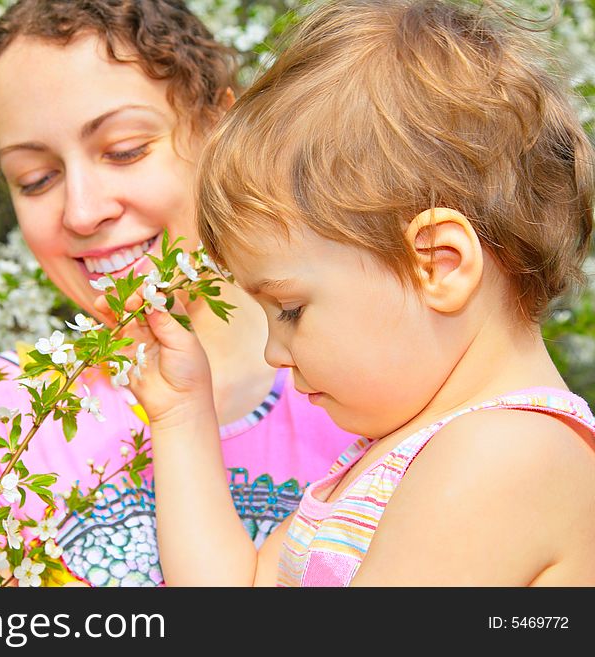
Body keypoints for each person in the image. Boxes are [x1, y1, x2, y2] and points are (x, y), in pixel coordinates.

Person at [105, 0, 595, 586]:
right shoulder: (389, 458)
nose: (274, 353)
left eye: (289, 310)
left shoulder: (507, 456)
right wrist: (181, 415)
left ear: (439, 266)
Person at [0, 0, 357, 586]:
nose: (82, 211)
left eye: (125, 149)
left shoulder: (371, 380)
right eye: (36, 179)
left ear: (220, 132)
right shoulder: (4, 417)